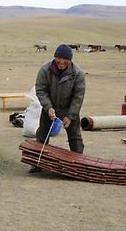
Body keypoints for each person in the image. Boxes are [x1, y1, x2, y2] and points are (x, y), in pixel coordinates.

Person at [30, 44, 86, 173]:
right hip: (50, 107)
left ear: (70, 60)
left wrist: (70, 116)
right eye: (58, 57)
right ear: (54, 57)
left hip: (69, 109)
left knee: (75, 137)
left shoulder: (78, 74)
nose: (61, 61)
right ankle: (37, 163)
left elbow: (78, 97)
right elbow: (41, 90)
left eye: (65, 58)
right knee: (42, 135)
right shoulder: (45, 70)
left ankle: (77, 165)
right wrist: (48, 107)